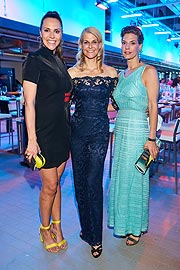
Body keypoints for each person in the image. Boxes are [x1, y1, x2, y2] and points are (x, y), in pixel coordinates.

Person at [23, 11, 72, 253]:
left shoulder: (61, 62)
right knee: (49, 186)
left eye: (56, 31)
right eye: (47, 30)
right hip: (43, 133)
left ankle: (58, 227)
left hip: (63, 132)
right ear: (40, 33)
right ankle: (44, 229)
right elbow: (29, 103)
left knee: (57, 184)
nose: (52, 35)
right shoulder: (34, 60)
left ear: (61, 35)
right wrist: (32, 140)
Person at [68, 26, 118, 258]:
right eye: (86, 42)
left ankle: (96, 238)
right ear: (81, 45)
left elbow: (117, 104)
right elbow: (63, 105)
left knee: (93, 182)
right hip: (77, 133)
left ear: (100, 45)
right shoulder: (71, 73)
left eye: (94, 42)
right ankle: (86, 230)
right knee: (79, 183)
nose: (90, 46)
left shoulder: (111, 73)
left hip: (99, 133)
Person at [108, 26, 159, 246]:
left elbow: (153, 106)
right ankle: (122, 223)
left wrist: (151, 139)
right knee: (120, 177)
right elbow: (114, 105)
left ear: (140, 45)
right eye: (124, 42)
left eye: (132, 42)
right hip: (120, 130)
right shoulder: (120, 76)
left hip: (138, 130)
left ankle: (135, 227)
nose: (127, 47)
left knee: (135, 178)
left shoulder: (148, 71)